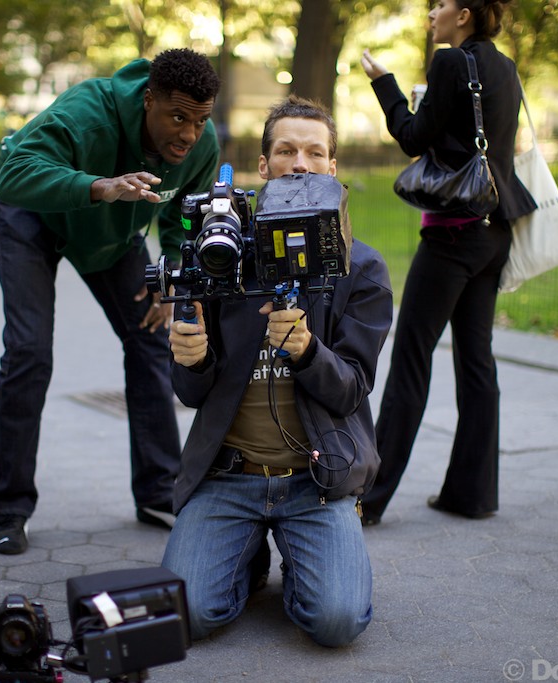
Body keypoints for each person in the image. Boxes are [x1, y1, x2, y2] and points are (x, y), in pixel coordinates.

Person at [160, 96, 393, 646]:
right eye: (285, 150)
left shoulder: (363, 268)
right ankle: (244, 562)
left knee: (336, 623)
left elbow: (353, 388)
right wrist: (187, 359)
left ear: (332, 168)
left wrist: (309, 351)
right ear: (263, 166)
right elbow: (192, 394)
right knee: (187, 615)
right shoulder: (221, 252)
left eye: (315, 153)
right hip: (228, 476)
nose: (300, 163)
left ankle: (300, 558)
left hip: (315, 480)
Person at [0, 48, 221, 554]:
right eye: (177, 117)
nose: (189, 134)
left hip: (112, 235)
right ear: (148, 100)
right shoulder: (89, 111)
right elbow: (15, 174)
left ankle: (160, 490)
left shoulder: (202, 147)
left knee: (151, 338)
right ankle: (9, 507)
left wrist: (173, 278)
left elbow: (186, 216)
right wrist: (97, 186)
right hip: (32, 217)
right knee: (29, 352)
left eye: (200, 121)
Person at [358, 0, 536, 524]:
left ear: (465, 15)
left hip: (453, 236)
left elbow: (413, 137)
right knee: (477, 362)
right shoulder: (503, 65)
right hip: (494, 232)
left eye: (439, 4)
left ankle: (369, 499)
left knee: (412, 358)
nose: (430, 12)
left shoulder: (450, 61)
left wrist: (384, 82)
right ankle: (472, 494)